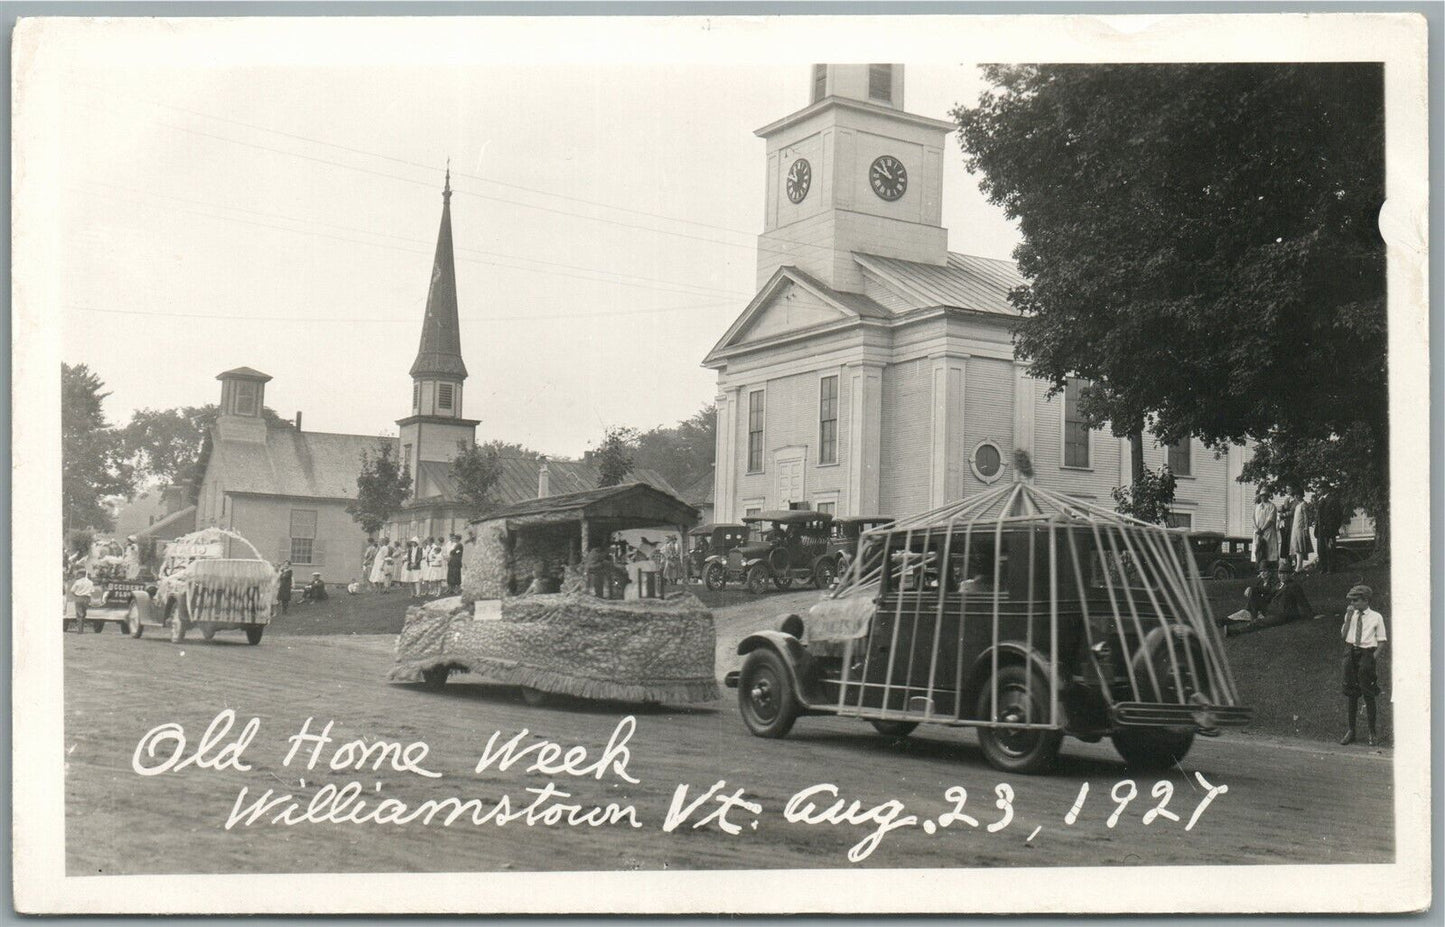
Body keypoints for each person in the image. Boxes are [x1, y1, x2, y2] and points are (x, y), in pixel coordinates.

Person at [1339, 584, 1386, 746]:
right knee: (1352, 693)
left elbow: (1381, 641)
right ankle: (1351, 730)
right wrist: (1348, 616)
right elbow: (1344, 635)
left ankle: (1372, 732)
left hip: (1366, 653)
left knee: (1368, 693)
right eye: (1351, 600)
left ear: (1366, 600)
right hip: (1350, 652)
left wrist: (1372, 658)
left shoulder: (1376, 617)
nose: (1352, 603)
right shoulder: (1350, 614)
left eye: (1356, 600)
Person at [1315, 489, 1345, 573]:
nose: (1318, 491)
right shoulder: (1320, 500)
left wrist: (1334, 528)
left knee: (1330, 549)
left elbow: (1338, 515)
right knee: (1321, 549)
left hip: (1329, 529)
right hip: (1321, 529)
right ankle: (1323, 567)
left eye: (1319, 489)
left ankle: (1331, 568)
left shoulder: (1332, 500)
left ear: (1324, 488)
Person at [1253, 492, 1279, 568]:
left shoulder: (1272, 506)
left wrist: (1263, 529)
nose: (1263, 497)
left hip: (1268, 532)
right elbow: (1253, 518)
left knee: (1269, 552)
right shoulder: (1257, 507)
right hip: (1258, 532)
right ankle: (1260, 569)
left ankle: (1269, 569)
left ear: (1268, 496)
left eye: (1265, 495)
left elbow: (1270, 520)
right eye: (1262, 495)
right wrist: (1256, 528)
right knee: (1259, 550)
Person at [1289, 495, 1312, 571]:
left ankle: (1299, 566)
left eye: (1297, 495)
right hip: (1296, 528)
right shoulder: (1298, 505)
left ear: (1300, 495)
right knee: (1296, 547)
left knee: (1300, 547)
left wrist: (1306, 528)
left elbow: (1306, 517)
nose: (1295, 497)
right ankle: (1298, 566)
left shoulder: (1303, 504)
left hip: (1301, 528)